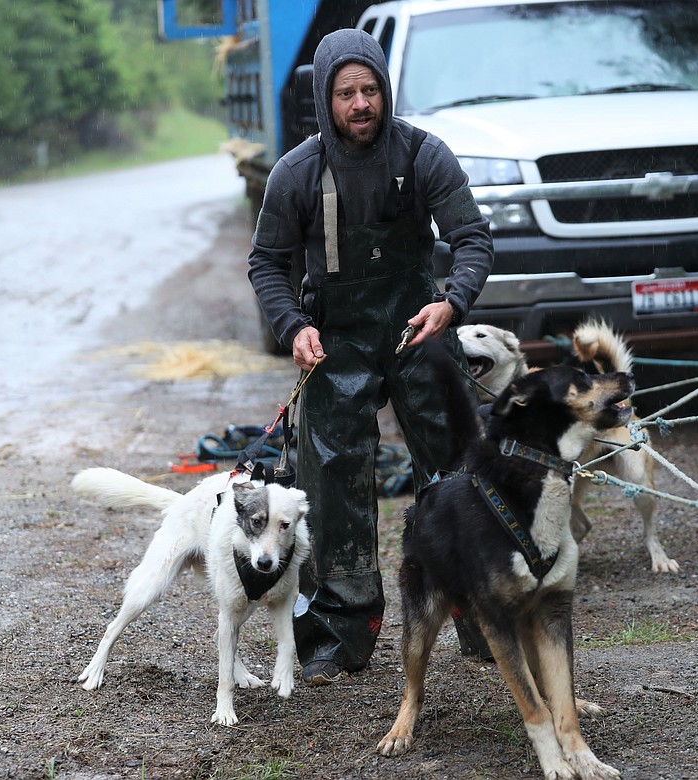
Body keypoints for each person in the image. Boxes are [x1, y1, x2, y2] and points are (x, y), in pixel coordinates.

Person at [247, 28, 494, 685]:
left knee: (457, 467)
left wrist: (453, 304)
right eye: (346, 93)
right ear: (325, 100)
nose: (361, 103)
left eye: (371, 90)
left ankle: (480, 614)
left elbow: (473, 239)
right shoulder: (296, 172)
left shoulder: (424, 155)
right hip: (336, 338)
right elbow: (267, 263)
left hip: (419, 326)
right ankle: (340, 630)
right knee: (332, 480)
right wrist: (291, 325)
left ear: (385, 91)